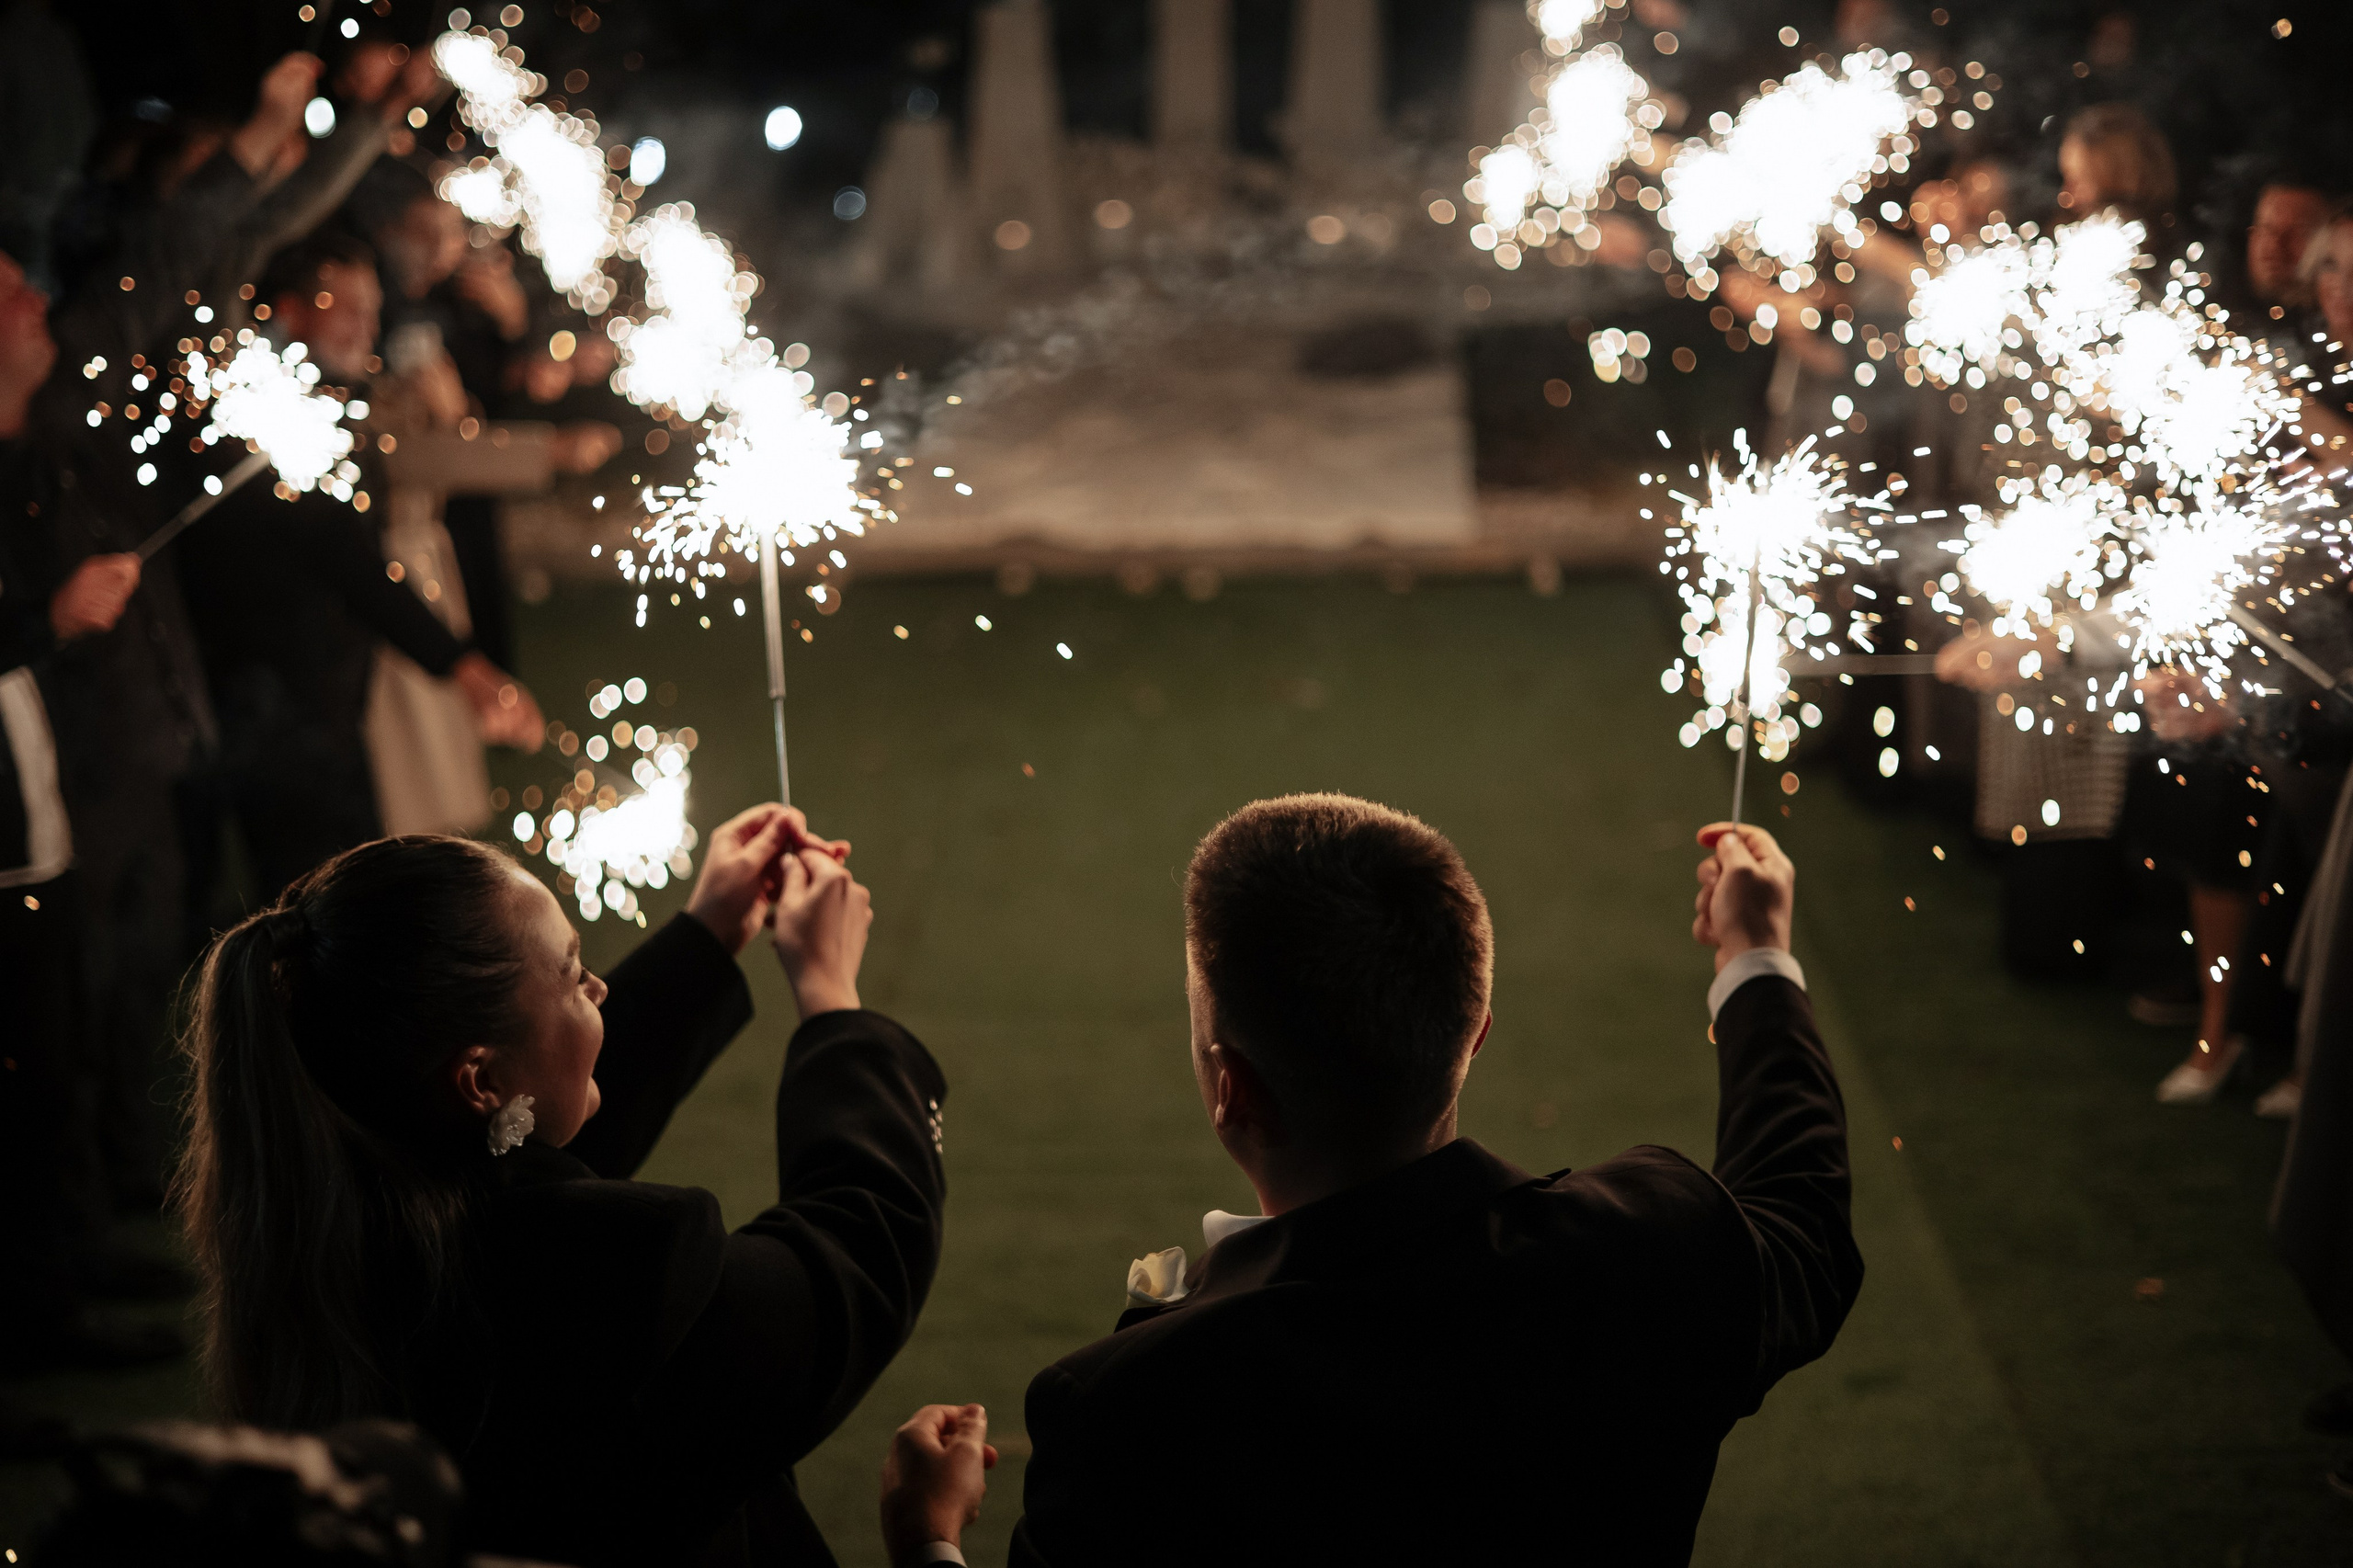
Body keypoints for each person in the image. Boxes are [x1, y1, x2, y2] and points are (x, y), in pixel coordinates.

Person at [882, 795, 1861, 1566]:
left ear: (1230, 1088)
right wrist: (1756, 954)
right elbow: (1802, 1216)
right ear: (1475, 1029)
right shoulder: (1652, 1250)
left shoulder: (1128, 1410)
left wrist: (929, 1535)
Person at [175, 804, 949, 1567]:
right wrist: (829, 1000)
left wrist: (708, 936)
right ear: (477, 1076)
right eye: (575, 972)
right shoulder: (610, 1272)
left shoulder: (336, 1198)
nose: (601, 987)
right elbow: (853, 1264)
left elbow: (520, 1122)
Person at [176, 230, 561, 895]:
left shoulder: (329, 402)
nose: (366, 325)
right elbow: (347, 556)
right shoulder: (267, 418)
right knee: (320, 900)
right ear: (287, 313)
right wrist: (464, 667)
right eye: (343, 305)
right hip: (273, 709)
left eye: (372, 307)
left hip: (322, 703)